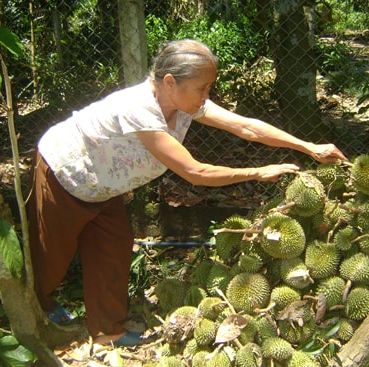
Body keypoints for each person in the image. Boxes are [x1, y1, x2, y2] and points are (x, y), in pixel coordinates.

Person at [28, 39, 348, 347]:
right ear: (170, 82)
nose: (207, 95)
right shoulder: (138, 110)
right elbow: (195, 172)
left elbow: (246, 126)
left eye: (208, 86)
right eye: (202, 87)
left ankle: (106, 330)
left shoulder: (185, 104)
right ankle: (34, 309)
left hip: (105, 185)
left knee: (114, 247)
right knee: (50, 255)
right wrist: (258, 172)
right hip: (66, 174)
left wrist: (308, 147)